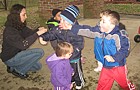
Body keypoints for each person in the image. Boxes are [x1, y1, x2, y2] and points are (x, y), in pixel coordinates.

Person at [70, 11, 135, 90]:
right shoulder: (100, 31)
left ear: (112, 24)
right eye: (100, 20)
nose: (100, 23)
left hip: (118, 66)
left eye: (103, 21)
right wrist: (71, 27)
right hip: (106, 66)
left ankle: (130, 87)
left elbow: (125, 50)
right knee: (102, 84)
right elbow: (88, 30)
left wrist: (114, 58)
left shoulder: (119, 35)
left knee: (124, 84)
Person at [39, 5, 85, 89]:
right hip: (63, 55)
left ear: (70, 22)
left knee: (77, 70)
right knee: (67, 69)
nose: (60, 23)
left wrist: (73, 53)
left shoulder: (77, 31)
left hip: (73, 56)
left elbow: (79, 44)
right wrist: (43, 37)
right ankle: (71, 79)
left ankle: (79, 82)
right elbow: (51, 33)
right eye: (60, 19)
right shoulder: (59, 28)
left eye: (63, 20)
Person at [0, 4, 47, 79]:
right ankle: (19, 71)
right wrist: (37, 34)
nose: (26, 17)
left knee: (38, 67)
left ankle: (11, 68)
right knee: (40, 52)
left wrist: (38, 30)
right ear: (16, 16)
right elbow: (23, 45)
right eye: (24, 15)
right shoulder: (9, 31)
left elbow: (30, 33)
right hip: (10, 58)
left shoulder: (18, 25)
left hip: (18, 53)